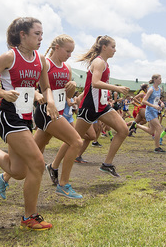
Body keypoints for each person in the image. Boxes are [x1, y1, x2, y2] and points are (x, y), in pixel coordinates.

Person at [0, 17, 55, 231]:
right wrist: (3, 93)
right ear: (22, 35)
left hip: (25, 117)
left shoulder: (40, 60)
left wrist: (49, 101)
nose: (41, 38)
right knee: (37, 163)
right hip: (8, 116)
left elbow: (46, 87)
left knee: (18, 171)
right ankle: (29, 217)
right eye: (37, 34)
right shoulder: (9, 57)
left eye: (42, 34)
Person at [31, 34, 84, 198]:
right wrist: (36, 95)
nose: (69, 55)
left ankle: (5, 177)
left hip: (59, 112)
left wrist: (72, 89)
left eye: (71, 52)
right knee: (76, 141)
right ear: (57, 48)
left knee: (31, 151)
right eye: (67, 51)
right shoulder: (45, 63)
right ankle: (63, 185)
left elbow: (67, 96)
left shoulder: (67, 68)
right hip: (46, 111)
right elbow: (30, 86)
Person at [73, 36, 130, 177]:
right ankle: (54, 166)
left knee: (123, 130)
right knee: (74, 139)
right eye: (113, 47)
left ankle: (107, 164)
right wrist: (116, 88)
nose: (115, 50)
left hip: (102, 107)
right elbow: (95, 83)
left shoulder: (105, 63)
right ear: (104, 47)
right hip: (90, 107)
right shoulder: (98, 62)